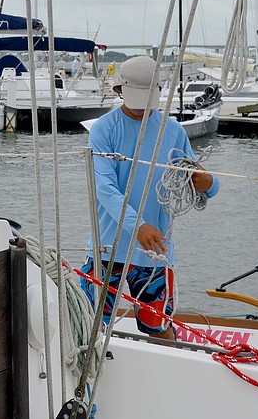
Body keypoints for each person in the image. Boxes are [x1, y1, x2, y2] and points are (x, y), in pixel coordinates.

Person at [81, 56, 220, 340]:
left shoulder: (173, 130)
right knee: (88, 324)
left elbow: (192, 176)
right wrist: (138, 226)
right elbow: (104, 188)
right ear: (120, 90)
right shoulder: (103, 129)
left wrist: (211, 184)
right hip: (108, 248)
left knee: (159, 328)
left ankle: (171, 367)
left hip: (155, 252)